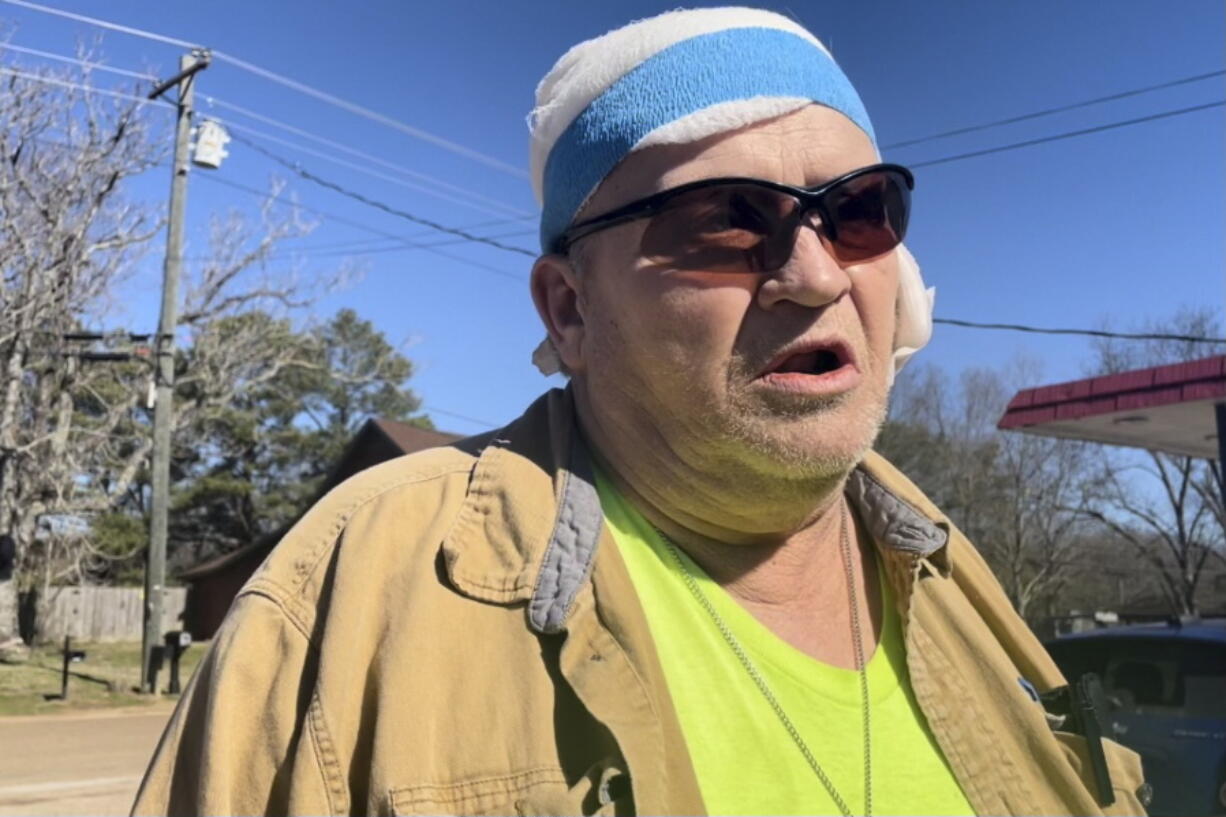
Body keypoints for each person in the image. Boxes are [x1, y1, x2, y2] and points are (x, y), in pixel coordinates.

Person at [133, 8, 1148, 816]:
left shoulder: (949, 572)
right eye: (723, 221)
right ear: (569, 309)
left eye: (856, 211)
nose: (812, 275)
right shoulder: (362, 579)